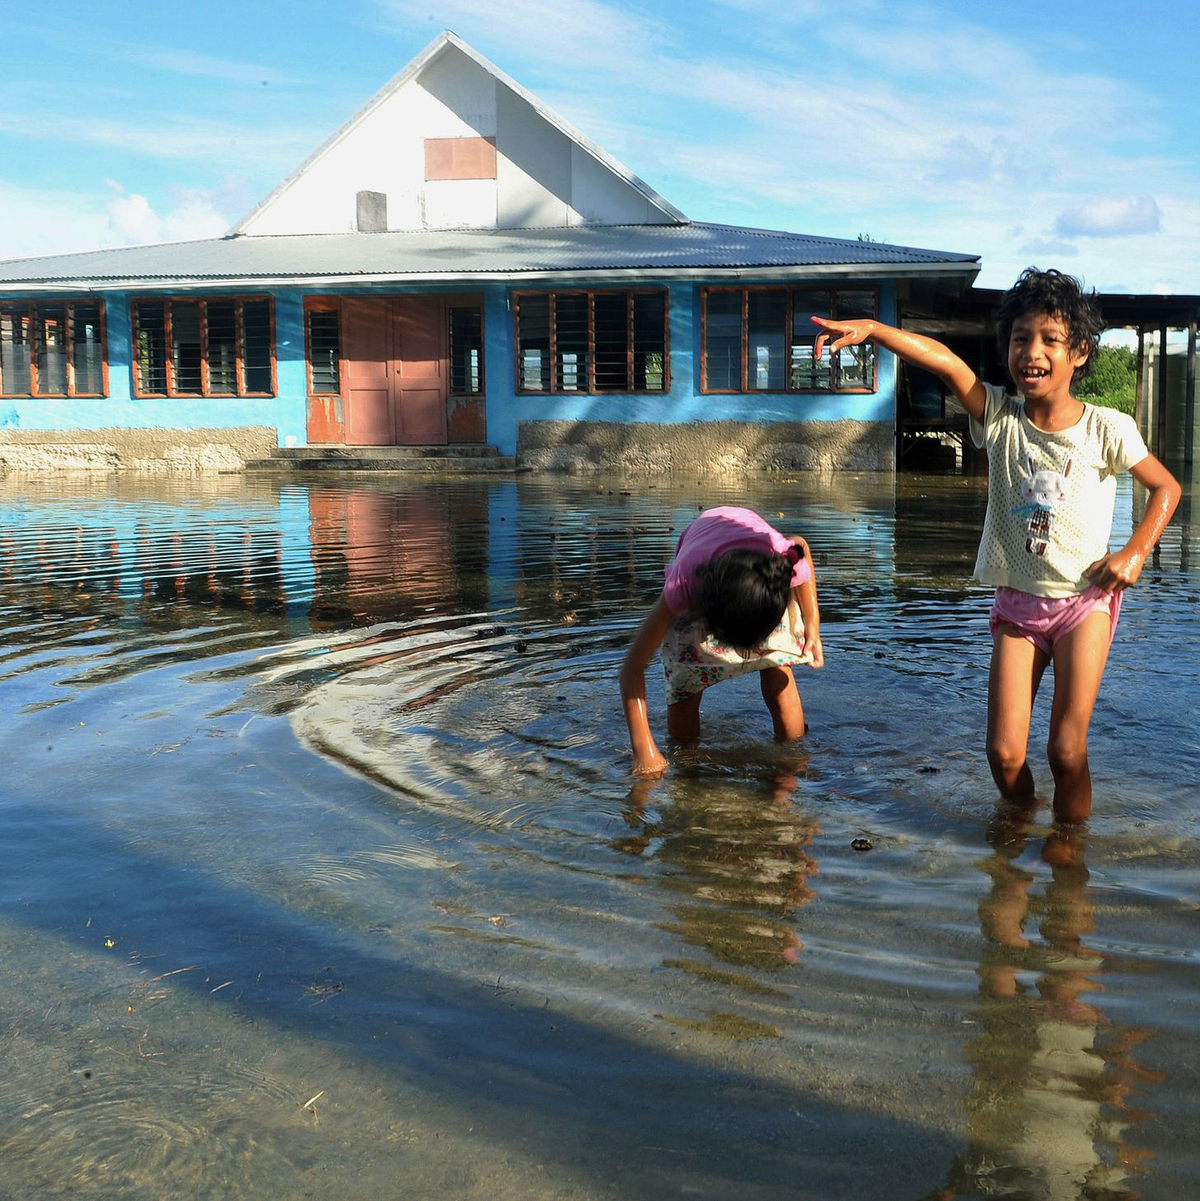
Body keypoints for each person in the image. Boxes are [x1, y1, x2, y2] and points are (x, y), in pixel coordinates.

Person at [812, 268, 1181, 822]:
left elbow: (1165, 488)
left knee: (1065, 749)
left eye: (1050, 340)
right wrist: (876, 329)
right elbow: (946, 363)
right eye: (1020, 338)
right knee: (1004, 755)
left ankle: (1068, 851)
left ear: (1079, 352)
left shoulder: (1109, 428)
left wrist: (1133, 553)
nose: (1032, 351)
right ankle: (1020, 824)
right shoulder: (1000, 418)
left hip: (1086, 603)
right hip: (1018, 606)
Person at [619, 506, 823, 777]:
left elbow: (800, 546)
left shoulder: (778, 563)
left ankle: (792, 758)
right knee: (684, 689)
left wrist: (813, 627)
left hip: (755, 583)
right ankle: (688, 765)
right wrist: (645, 750)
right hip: (707, 591)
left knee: (778, 669)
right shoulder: (684, 585)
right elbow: (632, 668)